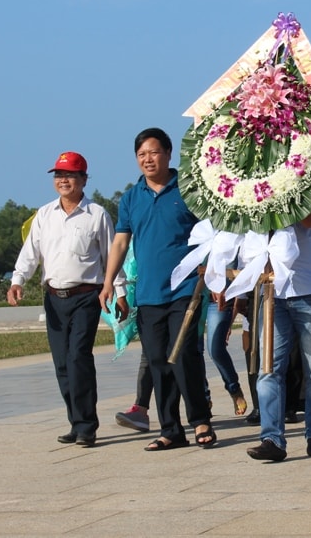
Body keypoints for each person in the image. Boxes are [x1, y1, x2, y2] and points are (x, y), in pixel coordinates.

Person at [100, 127, 215, 451]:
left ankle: (201, 421)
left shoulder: (190, 190)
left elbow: (210, 232)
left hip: (185, 290)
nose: (147, 159)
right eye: (141, 155)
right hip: (149, 295)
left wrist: (213, 270)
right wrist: (109, 281)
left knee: (184, 358)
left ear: (168, 153)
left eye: (153, 152)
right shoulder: (131, 198)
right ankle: (170, 429)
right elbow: (121, 241)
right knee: (158, 361)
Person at [7, 151, 128, 447]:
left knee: (78, 358)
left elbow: (112, 256)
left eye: (71, 175)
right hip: (54, 298)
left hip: (86, 296)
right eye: (59, 175)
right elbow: (31, 252)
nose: (64, 181)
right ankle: (75, 421)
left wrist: (120, 291)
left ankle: (87, 426)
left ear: (84, 180)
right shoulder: (44, 215)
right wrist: (17, 280)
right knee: (62, 363)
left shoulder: (97, 215)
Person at [245, 184, 311, 462]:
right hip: (273, 289)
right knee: (269, 367)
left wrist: (278, 193)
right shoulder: (260, 184)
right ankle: (271, 437)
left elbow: (308, 218)